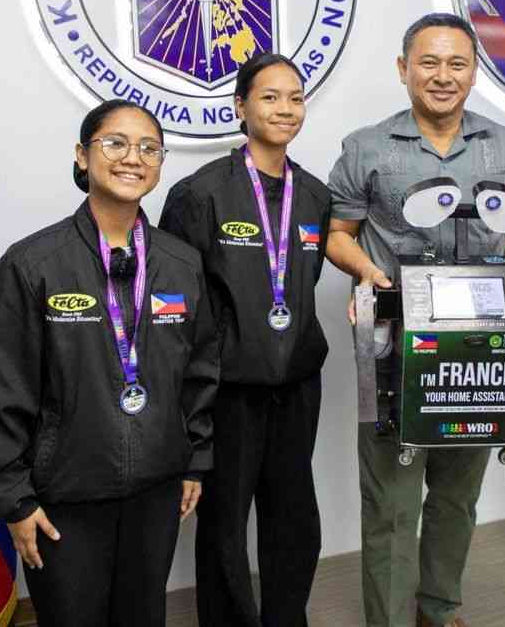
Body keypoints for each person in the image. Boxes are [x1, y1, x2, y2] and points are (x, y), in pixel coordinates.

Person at [326, 13, 505, 627]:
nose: (442, 76)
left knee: (456, 497)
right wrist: (367, 271)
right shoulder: (365, 146)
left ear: (475, 71)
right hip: (396, 353)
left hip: (479, 360)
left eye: (456, 63)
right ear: (403, 69)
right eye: (428, 62)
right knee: (393, 504)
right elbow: (337, 234)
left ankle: (439, 607)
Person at [0, 100, 218, 627]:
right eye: (116, 143)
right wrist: (13, 497)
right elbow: (3, 388)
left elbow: (199, 370)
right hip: (65, 499)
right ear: (83, 157)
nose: (133, 157)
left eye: (149, 148)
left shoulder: (181, 263)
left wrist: (194, 457)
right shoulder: (32, 264)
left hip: (156, 491)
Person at [159, 53, 331, 627]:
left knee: (294, 518)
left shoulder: (314, 196)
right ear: (240, 107)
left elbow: (302, 285)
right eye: (270, 97)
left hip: (298, 387)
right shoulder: (199, 193)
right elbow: (173, 303)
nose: (285, 108)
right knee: (225, 524)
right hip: (227, 391)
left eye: (295, 97)